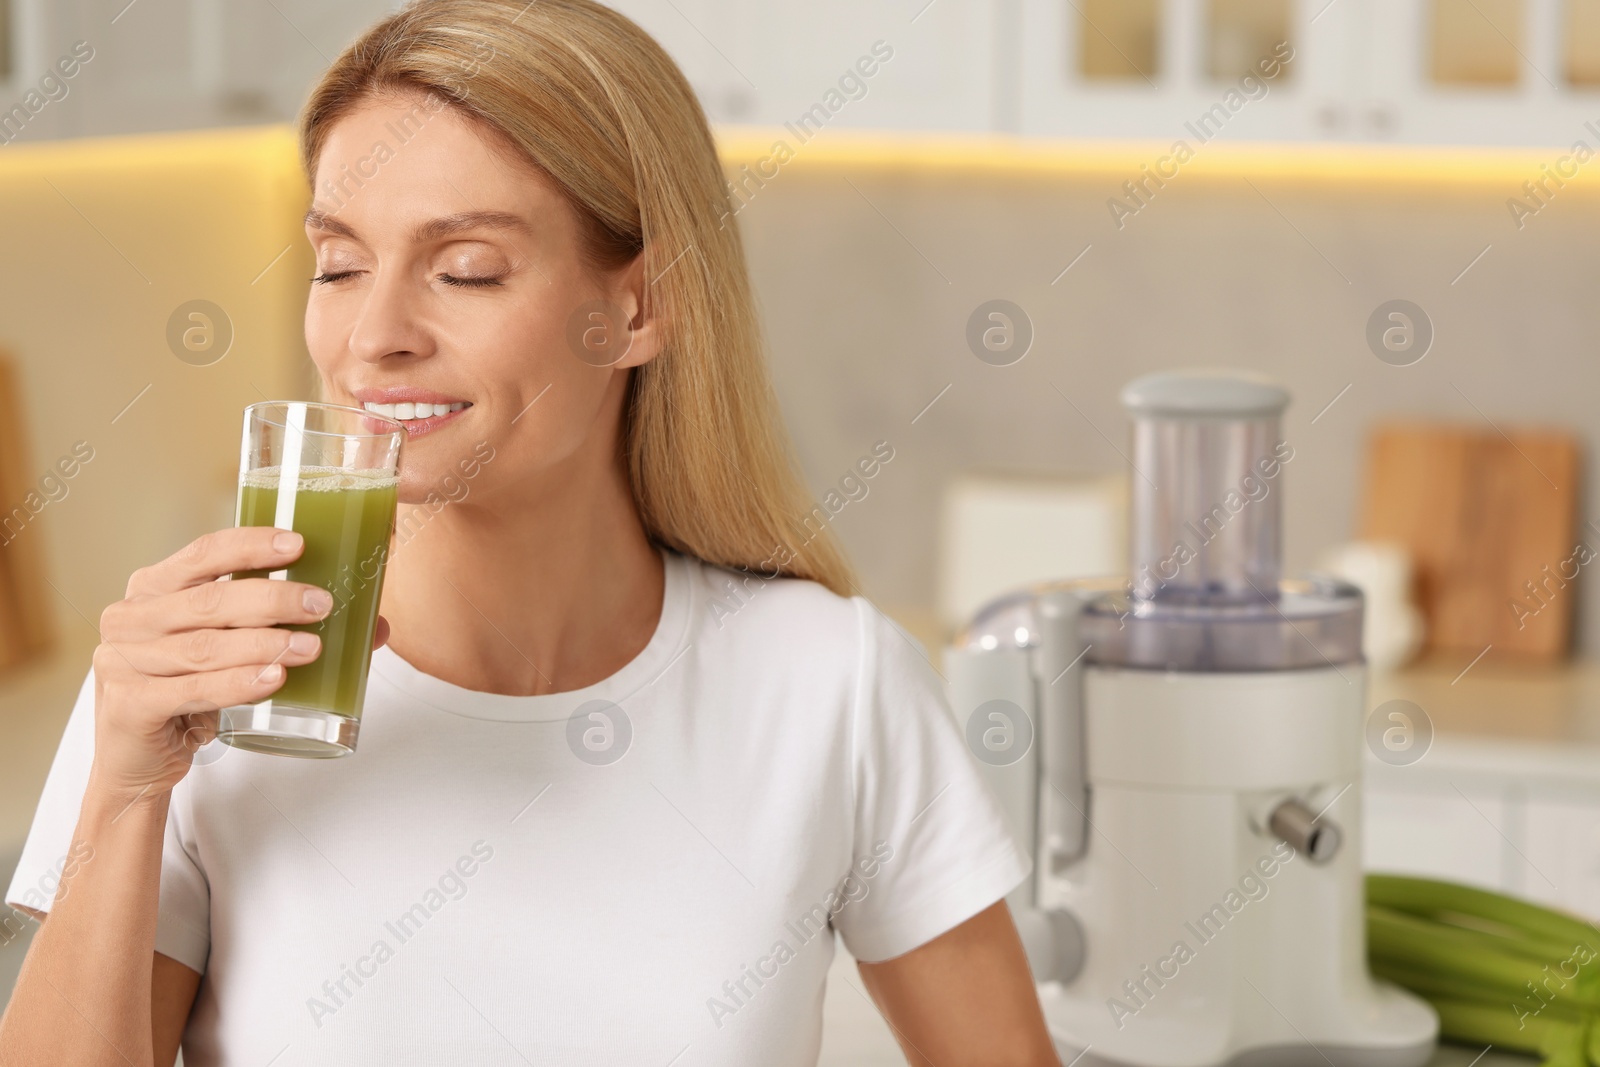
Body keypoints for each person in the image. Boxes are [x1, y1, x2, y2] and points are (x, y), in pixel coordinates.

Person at [0, 1, 1056, 1064]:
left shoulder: (830, 683)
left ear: (638, 309)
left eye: (465, 269)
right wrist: (127, 789)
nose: (373, 336)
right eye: (338, 265)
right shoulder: (202, 688)